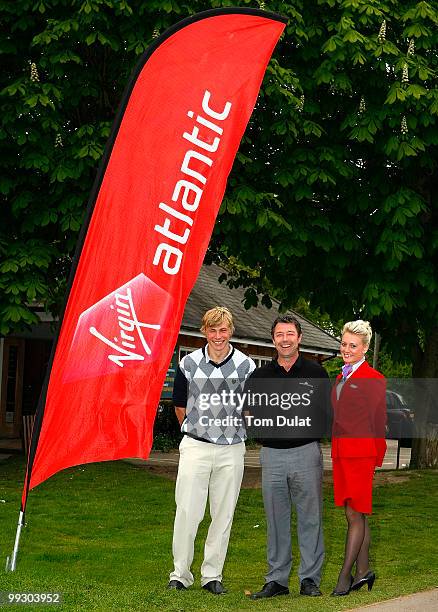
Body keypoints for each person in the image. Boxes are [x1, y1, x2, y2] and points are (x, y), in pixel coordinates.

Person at [168, 306, 255, 595]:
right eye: (212, 330)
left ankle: (212, 575)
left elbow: (250, 407)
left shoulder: (246, 366)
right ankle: (180, 574)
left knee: (223, 513)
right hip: (195, 447)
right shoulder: (189, 363)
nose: (218, 336)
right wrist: (197, 432)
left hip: (231, 450)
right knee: (187, 512)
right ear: (204, 331)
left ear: (231, 331)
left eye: (223, 330)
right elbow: (179, 405)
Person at [248, 315, 330, 599]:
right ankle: (277, 580)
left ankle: (309, 579)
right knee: (276, 519)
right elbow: (252, 414)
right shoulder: (260, 376)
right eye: (280, 334)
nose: (285, 339)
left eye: (290, 333)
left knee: (310, 518)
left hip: (305, 453)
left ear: (299, 337)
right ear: (273, 339)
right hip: (271, 456)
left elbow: (324, 414)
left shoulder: (316, 372)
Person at [330, 320, 386, 596]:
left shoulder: (374, 379)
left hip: (362, 456)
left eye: (353, 345)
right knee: (354, 513)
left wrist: (376, 459)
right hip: (342, 454)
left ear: (364, 348)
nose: (346, 349)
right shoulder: (342, 377)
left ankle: (345, 575)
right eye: (344, 344)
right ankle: (364, 572)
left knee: (355, 513)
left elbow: (378, 421)